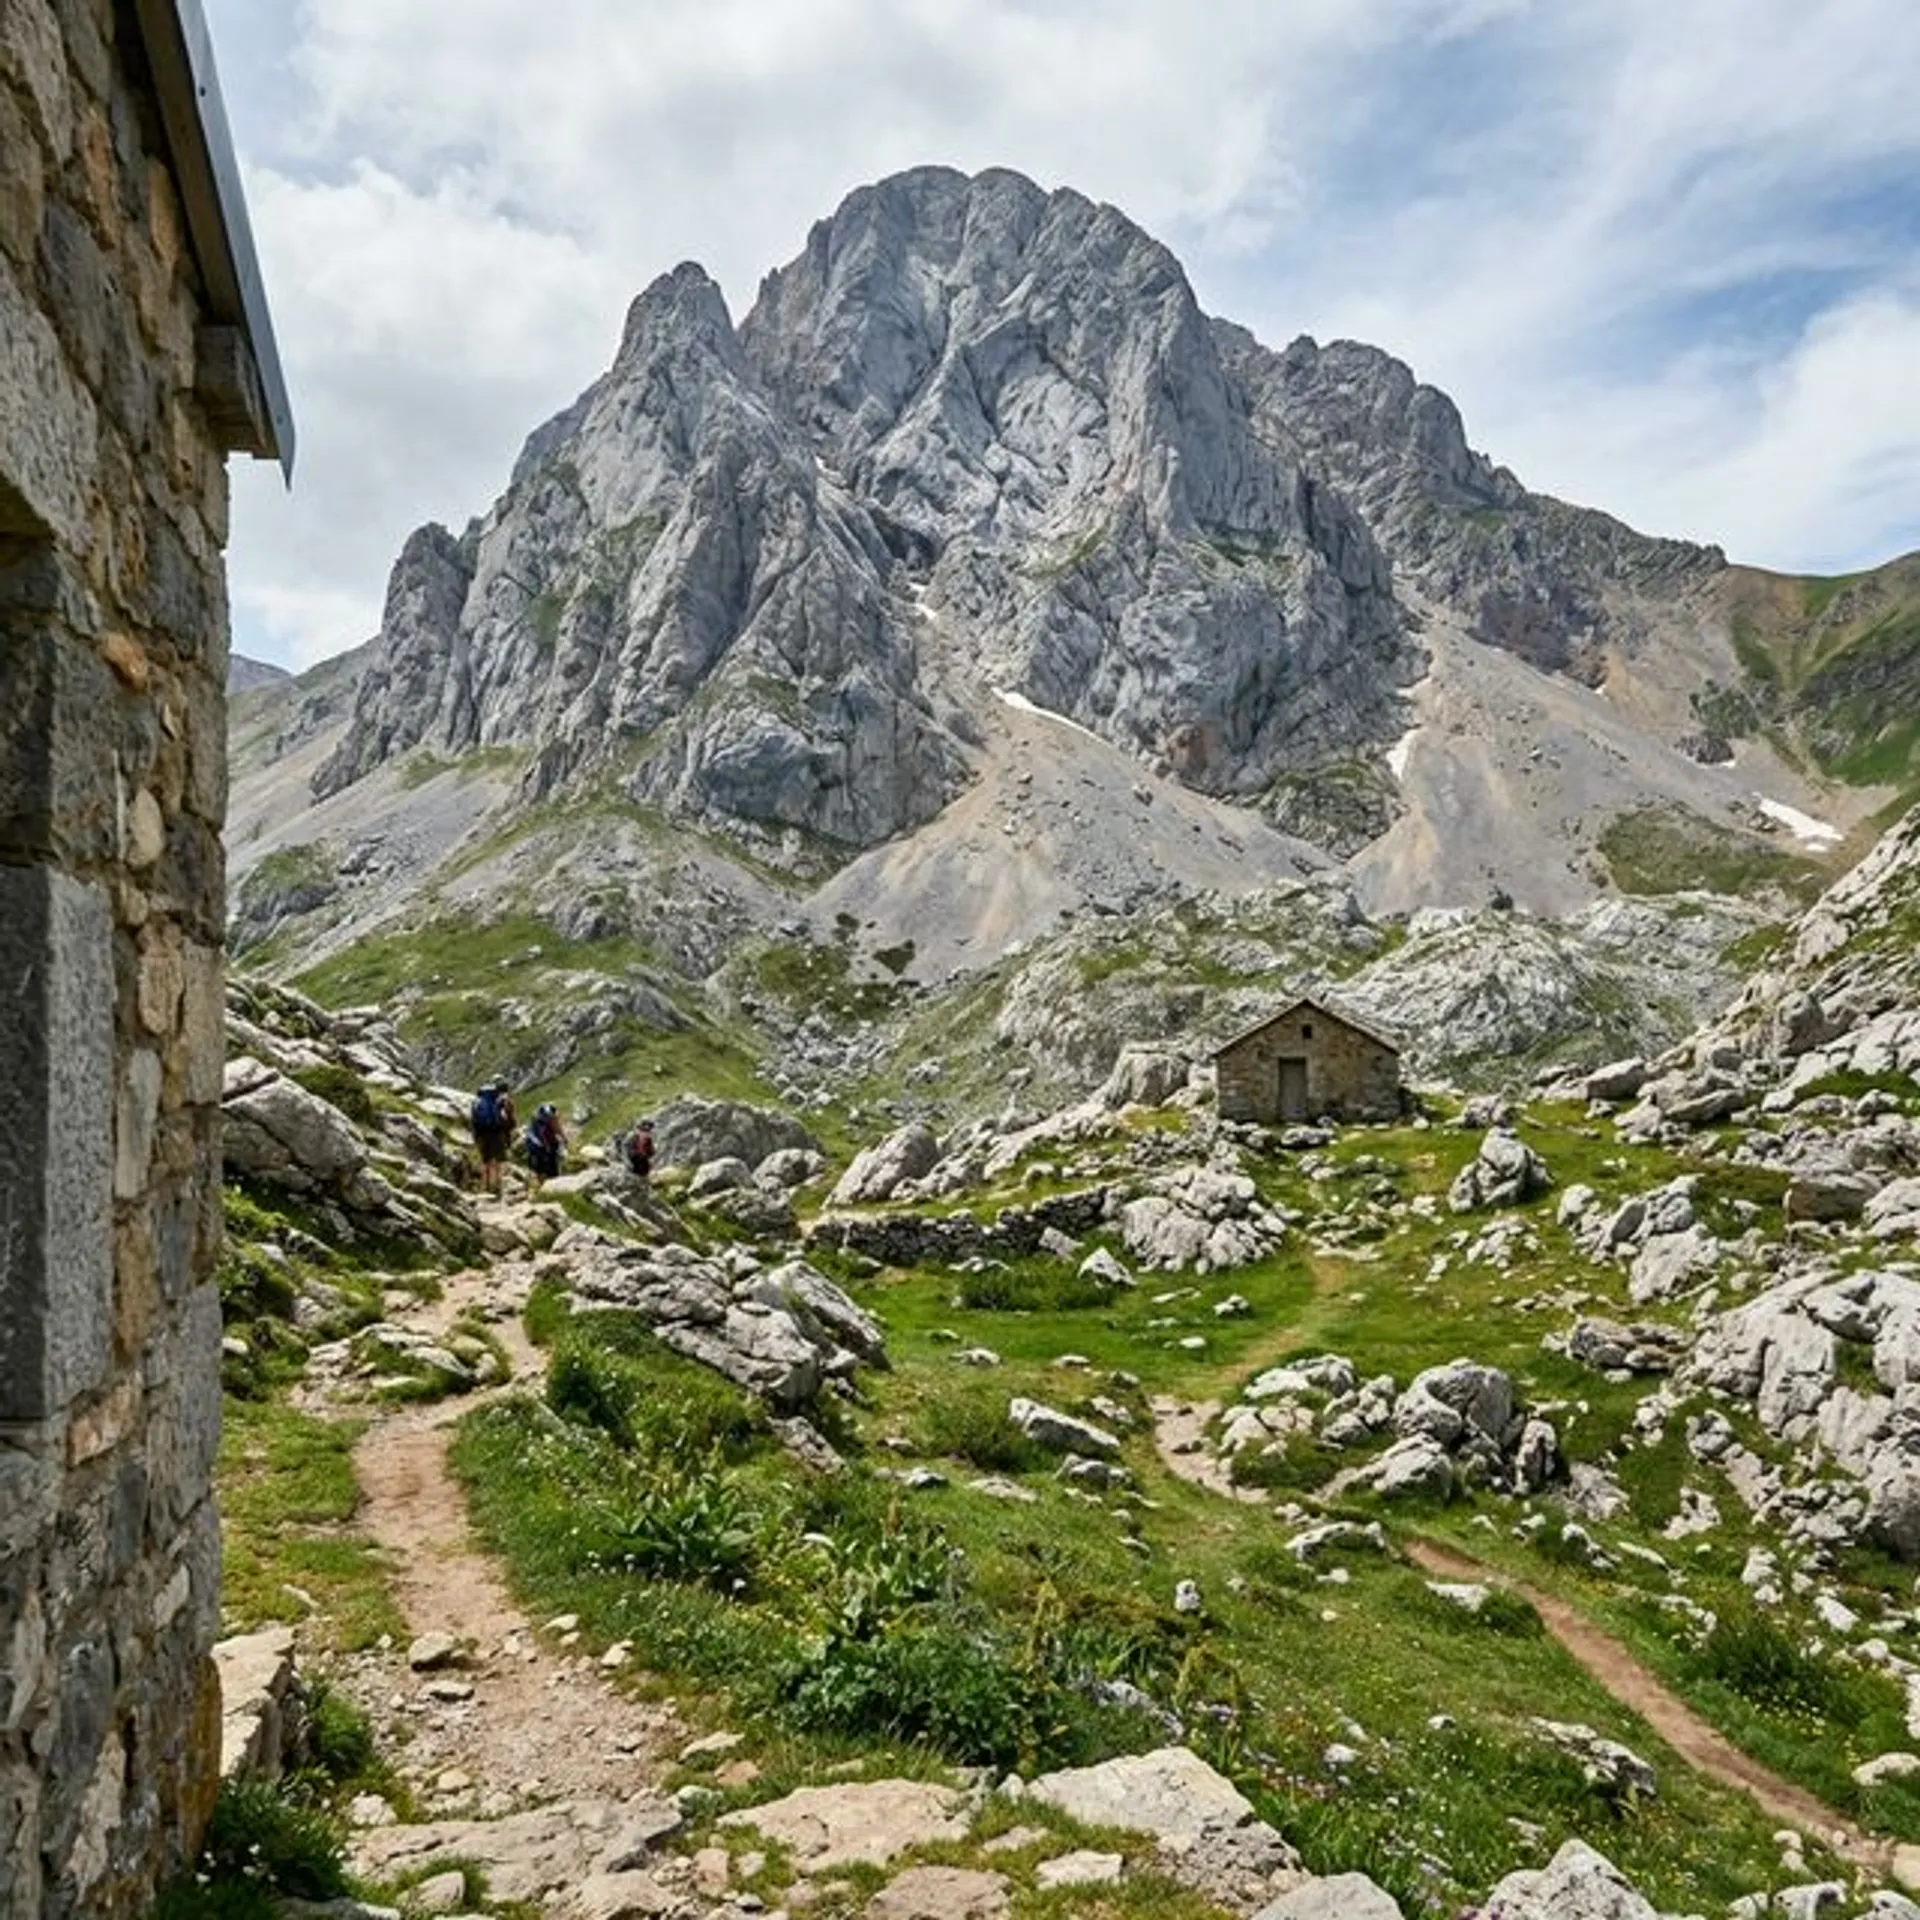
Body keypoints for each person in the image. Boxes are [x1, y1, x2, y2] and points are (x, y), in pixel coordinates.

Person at [470, 1078, 515, 1197]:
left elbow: (473, 1121)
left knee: (485, 1161)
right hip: (495, 1134)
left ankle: (484, 1187)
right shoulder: (498, 1101)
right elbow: (506, 1119)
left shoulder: (477, 1102)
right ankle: (496, 1187)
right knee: (497, 1162)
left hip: (481, 1135)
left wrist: (475, 1137)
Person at [525, 1101, 566, 1185]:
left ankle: (549, 1183)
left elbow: (557, 1128)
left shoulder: (540, 1118)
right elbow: (554, 1129)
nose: (555, 1119)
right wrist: (563, 1139)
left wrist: (563, 1139)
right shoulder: (542, 1121)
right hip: (540, 1147)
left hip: (542, 1147)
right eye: (553, 1118)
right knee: (545, 1168)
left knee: (546, 1168)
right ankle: (547, 1184)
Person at [625, 1118, 655, 1184]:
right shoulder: (645, 1135)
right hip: (640, 1156)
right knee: (644, 1171)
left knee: (637, 1172)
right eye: (650, 1126)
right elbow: (647, 1149)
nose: (650, 1129)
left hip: (633, 1156)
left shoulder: (635, 1133)